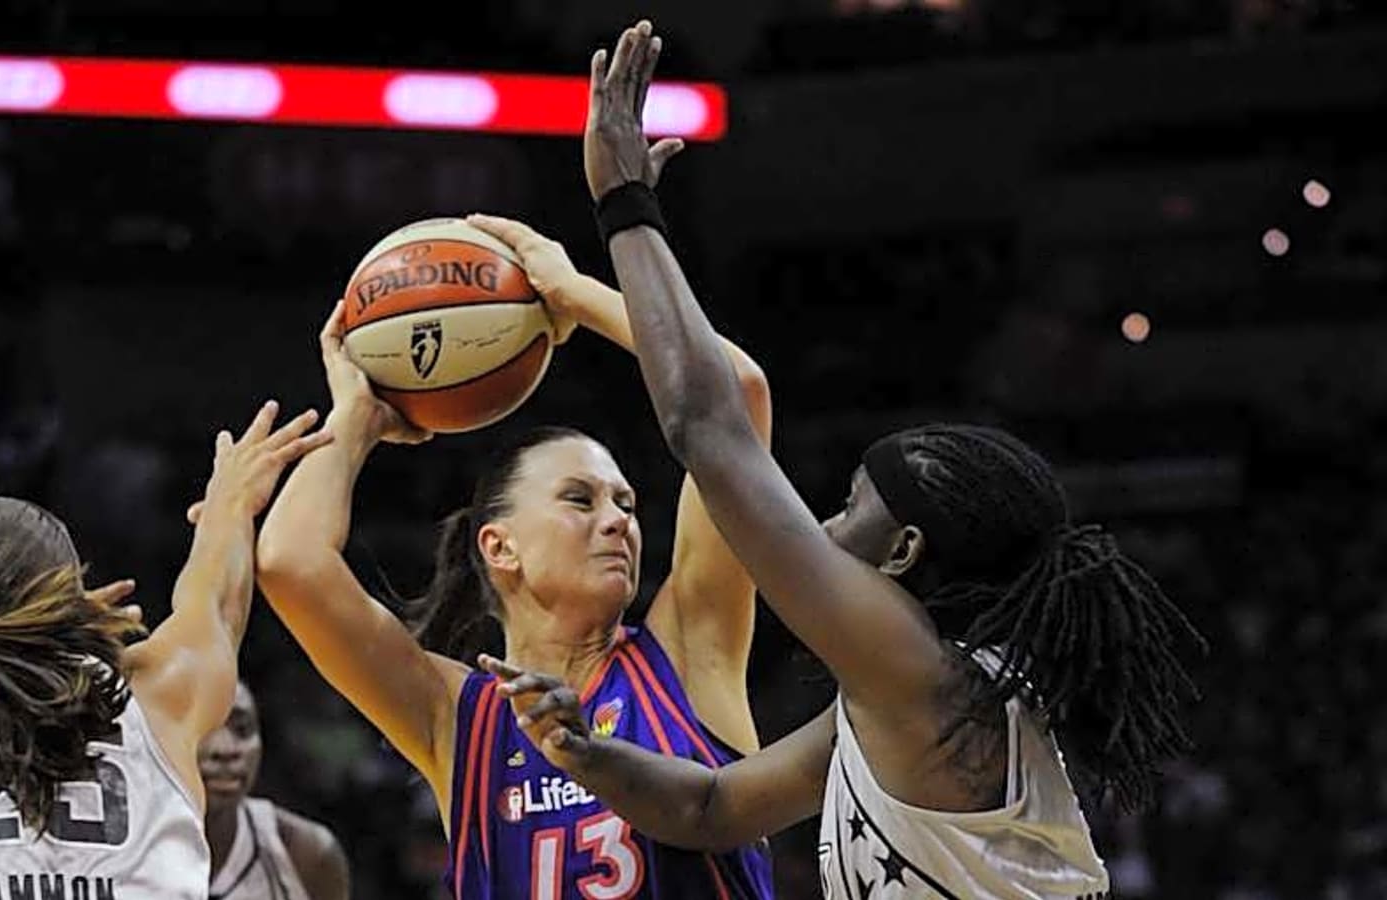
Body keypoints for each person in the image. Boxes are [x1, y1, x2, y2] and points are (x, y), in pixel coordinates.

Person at [477, 20, 1205, 900]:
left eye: (854, 505)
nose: (822, 522)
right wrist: (584, 753)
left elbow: (707, 424)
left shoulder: (917, 675)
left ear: (903, 554)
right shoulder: (901, 698)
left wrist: (623, 204)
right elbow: (708, 809)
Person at [255, 229, 777, 899]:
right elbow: (288, 561)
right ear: (499, 547)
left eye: (625, 503)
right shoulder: (454, 716)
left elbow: (736, 391)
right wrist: (356, 418)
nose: (618, 520)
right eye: (579, 500)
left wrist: (576, 294)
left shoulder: (688, 650)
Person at [0, 401, 329, 899]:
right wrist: (231, 504)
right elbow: (218, 603)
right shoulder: (163, 694)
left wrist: (52, 628)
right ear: (64, 606)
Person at [200, 680, 350, 900]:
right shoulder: (133, 843)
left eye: (242, 730)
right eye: (205, 728)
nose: (225, 750)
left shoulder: (307, 853)